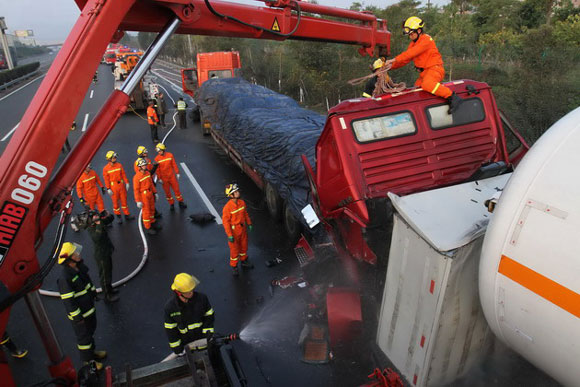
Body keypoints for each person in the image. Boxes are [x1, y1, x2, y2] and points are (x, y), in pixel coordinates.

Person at [385, 16, 462, 113]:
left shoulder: (426, 40)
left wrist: (393, 59)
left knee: (427, 84)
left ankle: (452, 97)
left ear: (419, 30)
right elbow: (405, 59)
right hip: (424, 73)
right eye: (409, 34)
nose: (410, 36)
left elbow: (410, 53)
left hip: (435, 69)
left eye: (412, 33)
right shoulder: (413, 44)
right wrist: (388, 67)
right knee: (416, 91)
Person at [57, 242, 107, 370]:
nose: (78, 254)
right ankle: (88, 362)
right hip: (81, 315)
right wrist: (77, 318)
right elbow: (68, 301)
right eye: (75, 253)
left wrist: (93, 293)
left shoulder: (79, 268)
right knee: (84, 338)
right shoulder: (65, 278)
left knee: (90, 332)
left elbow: (87, 283)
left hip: (88, 309)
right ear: (68, 259)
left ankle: (92, 353)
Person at [164, 273, 214, 355]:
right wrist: (177, 347)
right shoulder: (170, 308)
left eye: (192, 290)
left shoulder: (202, 299)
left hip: (204, 342)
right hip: (186, 348)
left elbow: (209, 316)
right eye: (188, 292)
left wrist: (208, 332)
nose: (191, 293)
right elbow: (170, 330)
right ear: (178, 292)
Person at [87, 210, 119, 303]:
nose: (97, 216)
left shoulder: (98, 223)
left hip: (106, 251)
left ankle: (110, 289)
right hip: (101, 255)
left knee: (108, 272)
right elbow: (97, 237)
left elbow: (110, 219)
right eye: (95, 216)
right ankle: (107, 296)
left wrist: (107, 215)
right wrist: (99, 223)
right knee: (105, 276)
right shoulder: (91, 228)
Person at [222, 184, 254, 276]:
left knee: (244, 246)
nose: (237, 192)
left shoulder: (242, 203)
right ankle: (234, 266)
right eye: (235, 192)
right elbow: (226, 223)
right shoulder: (227, 208)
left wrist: (249, 223)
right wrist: (230, 235)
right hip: (234, 231)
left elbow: (245, 214)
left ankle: (244, 261)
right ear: (231, 195)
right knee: (234, 250)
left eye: (237, 191)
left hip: (242, 229)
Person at [103, 151, 135, 224]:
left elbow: (123, 174)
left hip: (121, 185)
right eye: (113, 157)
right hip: (113, 187)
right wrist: (108, 188)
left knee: (124, 201)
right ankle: (118, 216)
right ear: (109, 159)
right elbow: (106, 179)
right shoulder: (106, 168)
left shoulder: (119, 165)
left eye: (115, 157)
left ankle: (127, 215)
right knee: (115, 203)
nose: (115, 158)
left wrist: (127, 182)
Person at [154, 143, 187, 211]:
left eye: (160, 151)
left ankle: (180, 202)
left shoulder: (170, 155)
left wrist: (177, 173)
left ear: (163, 150)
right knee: (167, 192)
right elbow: (157, 170)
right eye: (158, 151)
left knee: (177, 190)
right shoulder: (157, 159)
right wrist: (159, 178)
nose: (159, 152)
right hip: (164, 178)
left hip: (171, 176)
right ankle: (171, 204)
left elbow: (174, 164)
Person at [133, 158, 161, 235]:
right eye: (143, 165)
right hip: (143, 195)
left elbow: (151, 184)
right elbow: (136, 190)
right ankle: (148, 227)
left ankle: (152, 222)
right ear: (139, 167)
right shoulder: (136, 177)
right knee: (146, 211)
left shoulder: (148, 173)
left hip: (150, 193)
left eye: (145, 165)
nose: (145, 166)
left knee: (152, 209)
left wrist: (155, 193)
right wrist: (138, 201)